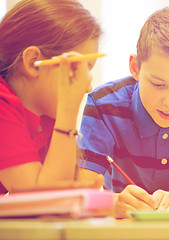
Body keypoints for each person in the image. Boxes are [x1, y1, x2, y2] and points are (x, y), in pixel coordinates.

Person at [77, 6, 169, 218]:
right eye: (158, 84)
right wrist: (117, 203)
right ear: (135, 67)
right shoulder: (103, 105)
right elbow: (82, 193)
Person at [0, 0, 103, 194]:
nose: (87, 87)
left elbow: (58, 198)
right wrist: (68, 110)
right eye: (76, 69)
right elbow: (41, 201)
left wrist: (113, 204)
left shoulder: (45, 118)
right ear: (33, 62)